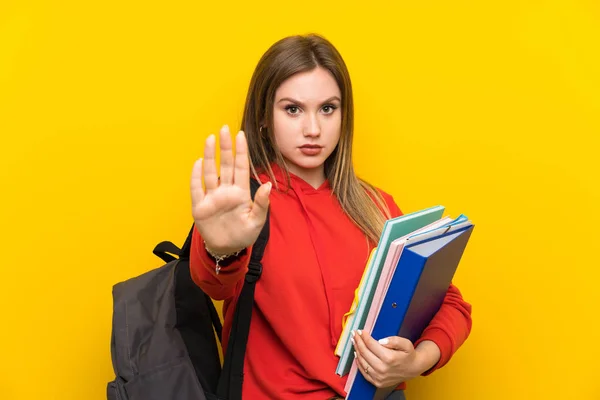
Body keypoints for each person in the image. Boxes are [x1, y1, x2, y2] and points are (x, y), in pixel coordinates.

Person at [188, 33, 472, 400]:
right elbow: (213, 283)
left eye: (328, 108)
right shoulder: (243, 204)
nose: (313, 129)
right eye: (292, 109)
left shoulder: (376, 206)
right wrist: (220, 250)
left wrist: (416, 360)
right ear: (262, 118)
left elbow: (449, 303)